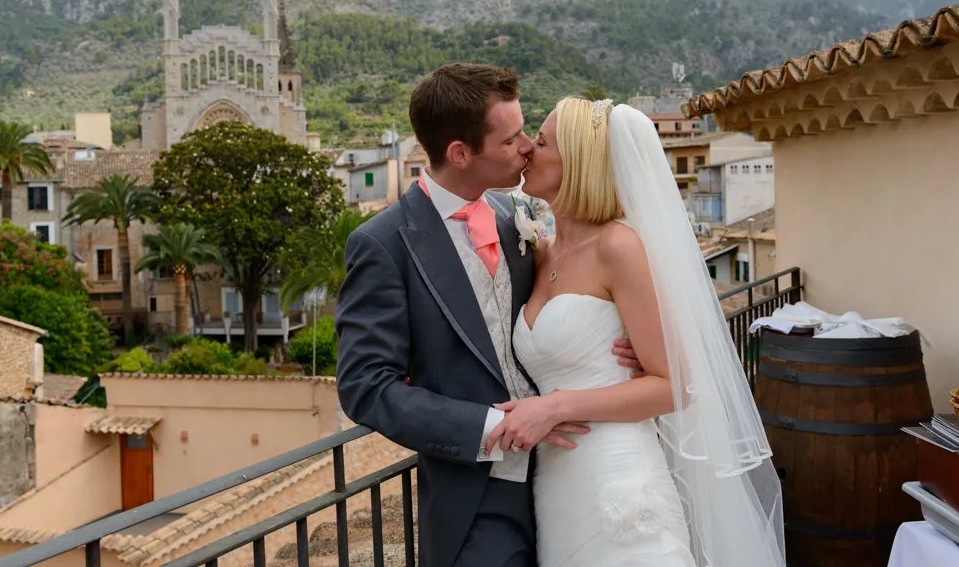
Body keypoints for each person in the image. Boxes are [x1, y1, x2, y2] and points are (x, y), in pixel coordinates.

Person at [335, 65, 646, 567]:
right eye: (511, 139)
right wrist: (488, 428)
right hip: (478, 498)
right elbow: (365, 386)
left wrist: (622, 345)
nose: (527, 146)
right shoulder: (382, 244)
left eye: (528, 132)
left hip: (573, 474)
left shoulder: (512, 219)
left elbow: (562, 310)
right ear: (460, 153)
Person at [486, 97, 787, 567]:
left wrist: (556, 406)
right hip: (557, 489)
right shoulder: (539, 252)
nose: (527, 150)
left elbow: (677, 386)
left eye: (541, 142)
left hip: (619, 481)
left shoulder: (618, 247)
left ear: (580, 163)